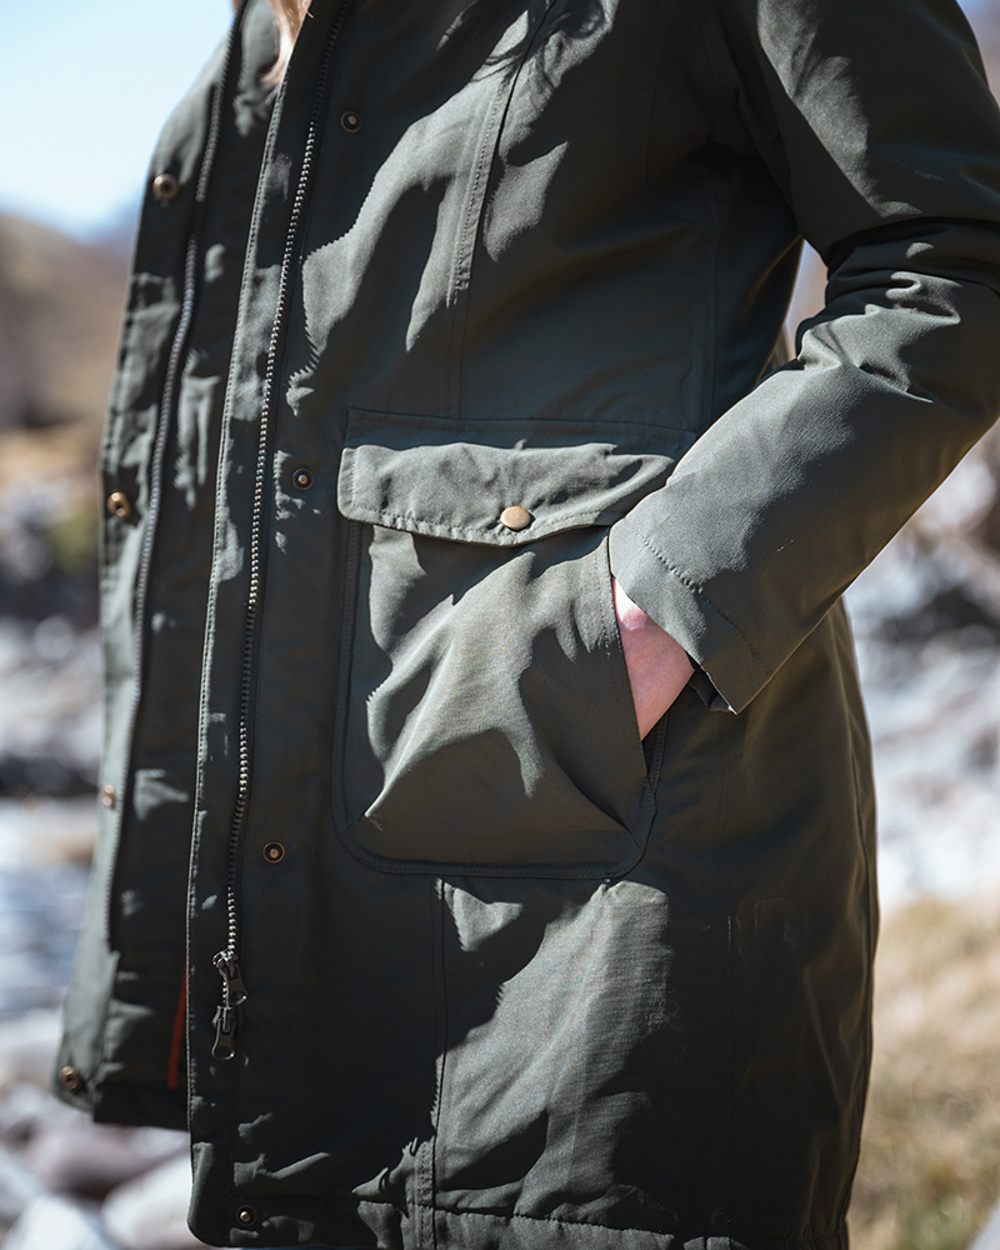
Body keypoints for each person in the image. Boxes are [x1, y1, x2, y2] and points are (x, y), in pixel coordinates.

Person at [52, 0, 1000, 1246]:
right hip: (313, 939)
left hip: (617, 906)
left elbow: (952, 263)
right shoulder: (249, 49)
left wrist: (618, 641)